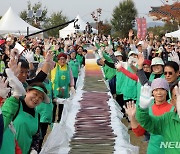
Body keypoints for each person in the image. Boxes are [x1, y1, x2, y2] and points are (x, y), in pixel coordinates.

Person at [125, 78, 174, 154]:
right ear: (152, 92)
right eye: (156, 90)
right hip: (154, 149)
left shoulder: (174, 109)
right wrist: (132, 118)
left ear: (167, 92)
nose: (159, 93)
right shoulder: (147, 110)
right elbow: (139, 132)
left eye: (162, 89)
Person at [136, 80, 180, 154]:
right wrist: (143, 109)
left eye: (162, 89)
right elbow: (148, 123)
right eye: (176, 96)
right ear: (172, 101)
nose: (159, 93)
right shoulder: (167, 118)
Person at [12, 82, 49, 154]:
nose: (37, 98)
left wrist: (34, 149)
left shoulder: (37, 115)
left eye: (41, 98)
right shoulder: (15, 106)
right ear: (27, 91)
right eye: (35, 94)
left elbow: (36, 137)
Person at [51, 52, 75, 122]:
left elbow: (71, 77)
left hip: (65, 90)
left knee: (62, 105)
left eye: (64, 59)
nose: (62, 61)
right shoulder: (55, 66)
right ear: (58, 60)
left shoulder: (68, 67)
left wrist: (72, 86)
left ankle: (60, 119)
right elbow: (50, 61)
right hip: (55, 89)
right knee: (54, 105)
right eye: (61, 59)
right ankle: (52, 120)